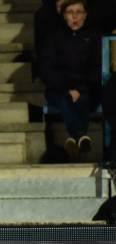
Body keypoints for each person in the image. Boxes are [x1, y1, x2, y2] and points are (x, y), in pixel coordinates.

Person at [40, 0, 101, 159]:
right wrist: (68, 88)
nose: (74, 16)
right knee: (65, 99)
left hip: (86, 89)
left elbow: (96, 68)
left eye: (79, 12)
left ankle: (75, 137)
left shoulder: (93, 37)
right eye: (70, 12)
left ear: (85, 15)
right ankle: (80, 135)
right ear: (63, 16)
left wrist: (79, 90)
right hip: (59, 89)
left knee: (82, 100)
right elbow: (47, 69)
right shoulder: (53, 38)